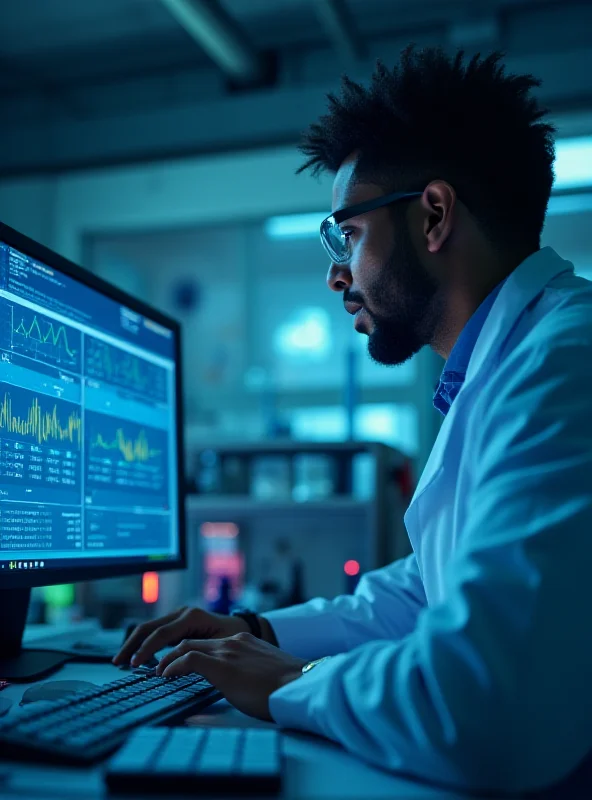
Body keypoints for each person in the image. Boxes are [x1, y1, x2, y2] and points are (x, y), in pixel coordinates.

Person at [115, 46, 592, 795]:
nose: (337, 273)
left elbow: (487, 707)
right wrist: (260, 633)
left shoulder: (564, 362)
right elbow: (429, 592)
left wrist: (291, 680)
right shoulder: (511, 365)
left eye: (349, 233)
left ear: (433, 215)